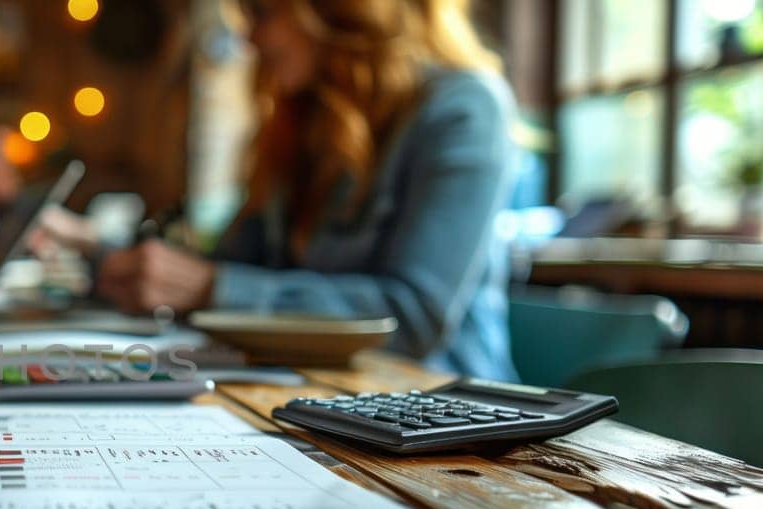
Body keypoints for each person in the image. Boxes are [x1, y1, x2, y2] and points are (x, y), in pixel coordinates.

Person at [95, 0, 519, 380]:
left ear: (339, 10)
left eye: (262, 12)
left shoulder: (464, 109)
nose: (249, 38)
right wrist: (99, 247)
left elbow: (413, 317)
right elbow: (234, 264)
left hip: (442, 411)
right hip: (307, 390)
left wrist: (212, 287)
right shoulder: (306, 121)